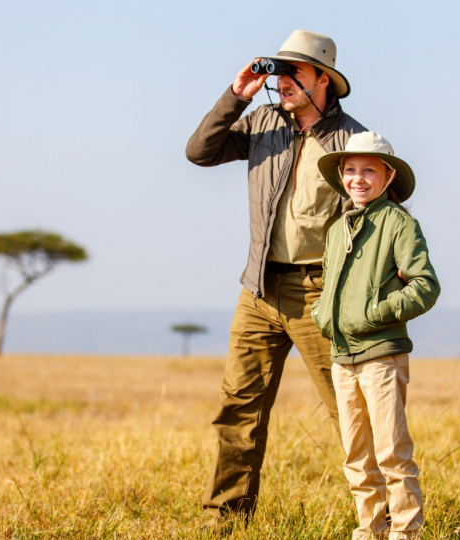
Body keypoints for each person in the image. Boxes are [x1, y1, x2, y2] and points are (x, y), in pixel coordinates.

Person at [185, 29, 367, 523]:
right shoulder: (263, 121)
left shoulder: (353, 139)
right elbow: (199, 151)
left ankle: (381, 520)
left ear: (323, 80)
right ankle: (223, 519)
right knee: (238, 409)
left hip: (321, 295)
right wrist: (237, 94)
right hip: (258, 289)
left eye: (295, 73)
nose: (282, 81)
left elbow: (382, 215)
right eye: (278, 72)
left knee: (349, 411)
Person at [312, 132, 440, 540]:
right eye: (350, 170)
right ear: (341, 177)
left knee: (391, 452)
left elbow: (425, 285)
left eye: (369, 170)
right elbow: (328, 287)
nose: (358, 178)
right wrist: (322, 316)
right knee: (356, 456)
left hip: (382, 355)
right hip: (342, 356)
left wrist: (376, 314)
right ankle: (369, 531)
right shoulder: (336, 230)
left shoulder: (399, 223)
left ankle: (405, 533)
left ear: (388, 177)